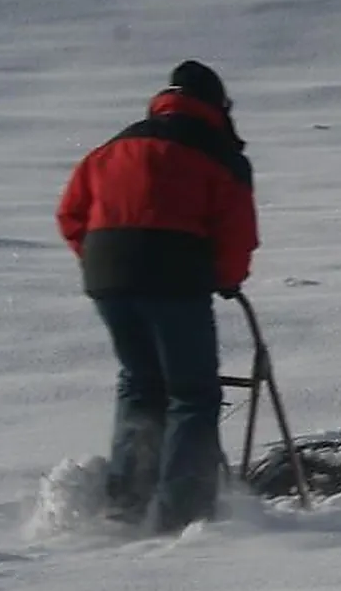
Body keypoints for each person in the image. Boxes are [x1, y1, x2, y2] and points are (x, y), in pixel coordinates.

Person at [56, 61, 259, 533]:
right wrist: (226, 278)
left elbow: (71, 213)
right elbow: (237, 233)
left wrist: (98, 259)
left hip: (109, 280)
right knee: (192, 394)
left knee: (141, 383)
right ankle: (182, 516)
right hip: (175, 278)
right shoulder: (220, 154)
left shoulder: (113, 147)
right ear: (216, 105)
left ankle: (126, 505)